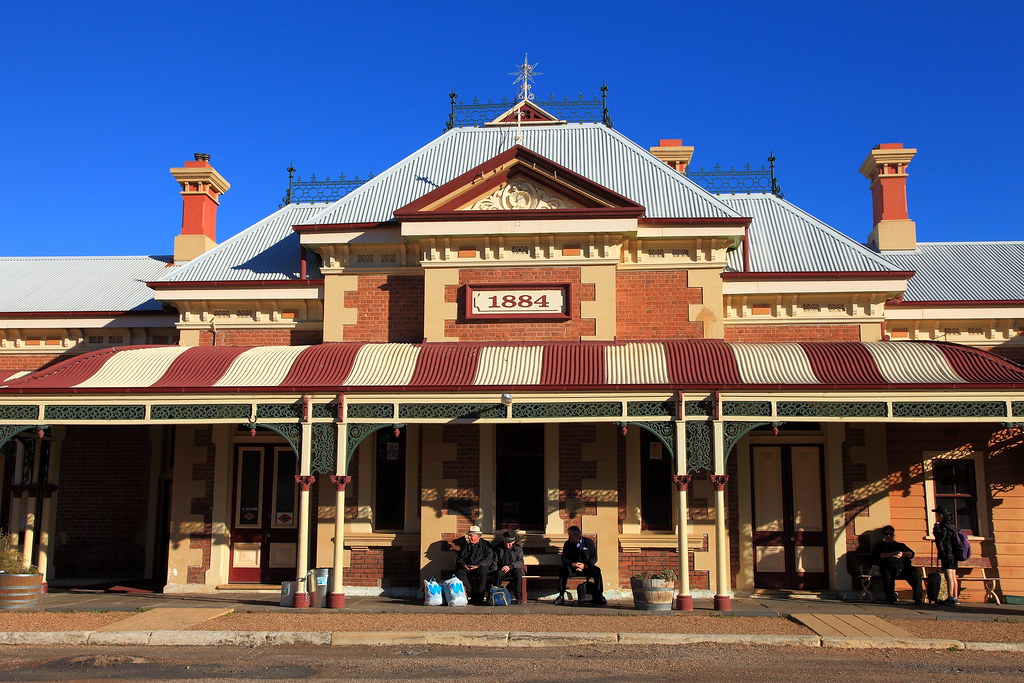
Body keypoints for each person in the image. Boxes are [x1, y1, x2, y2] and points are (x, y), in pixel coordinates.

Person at [870, 525, 924, 605]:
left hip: (904, 567)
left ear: (893, 535)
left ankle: (918, 598)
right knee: (888, 575)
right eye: (886, 534)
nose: (889, 536)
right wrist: (892, 554)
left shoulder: (900, 545)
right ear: (883, 535)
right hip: (888, 567)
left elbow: (911, 554)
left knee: (916, 574)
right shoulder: (880, 545)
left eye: (890, 534)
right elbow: (879, 555)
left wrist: (902, 554)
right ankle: (890, 598)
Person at [554, 525, 606, 605]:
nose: (569, 537)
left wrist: (584, 565)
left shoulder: (588, 542)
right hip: (573, 568)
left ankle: (599, 595)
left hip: (586, 567)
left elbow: (594, 557)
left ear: (577, 535)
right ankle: (561, 595)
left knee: (596, 570)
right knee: (563, 570)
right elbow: (564, 558)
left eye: (570, 535)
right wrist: (572, 564)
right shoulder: (567, 544)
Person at [454, 525, 494, 606]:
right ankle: (470, 591)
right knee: (459, 571)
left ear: (477, 536)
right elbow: (460, 558)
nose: (469, 538)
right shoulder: (467, 546)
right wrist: (464, 565)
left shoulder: (486, 545)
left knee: (483, 571)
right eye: (469, 536)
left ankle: (480, 596)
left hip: (480, 568)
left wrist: (478, 565)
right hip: (469, 567)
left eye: (470, 536)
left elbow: (488, 559)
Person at [932, 507, 960, 605]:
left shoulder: (943, 526)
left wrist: (936, 528)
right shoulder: (952, 526)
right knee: (953, 576)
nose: (936, 517)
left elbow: (940, 537)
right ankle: (955, 597)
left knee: (949, 576)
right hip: (954, 554)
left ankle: (951, 597)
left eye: (937, 515)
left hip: (947, 553)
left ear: (941, 515)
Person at [490, 530, 525, 604]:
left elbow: (520, 562)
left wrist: (510, 566)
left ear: (513, 542)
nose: (508, 545)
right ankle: (497, 595)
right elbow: (495, 562)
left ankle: (518, 597)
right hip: (502, 569)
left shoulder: (518, 549)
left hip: (513, 569)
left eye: (509, 543)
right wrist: (494, 572)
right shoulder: (498, 548)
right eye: (506, 542)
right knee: (498, 574)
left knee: (518, 572)